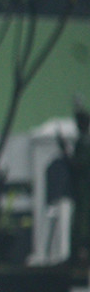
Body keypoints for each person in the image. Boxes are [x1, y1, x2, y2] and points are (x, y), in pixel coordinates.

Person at [58, 102, 90, 269]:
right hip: (82, 191)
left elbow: (78, 166)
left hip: (84, 192)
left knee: (81, 224)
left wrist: (65, 151)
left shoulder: (84, 143)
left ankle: (78, 255)